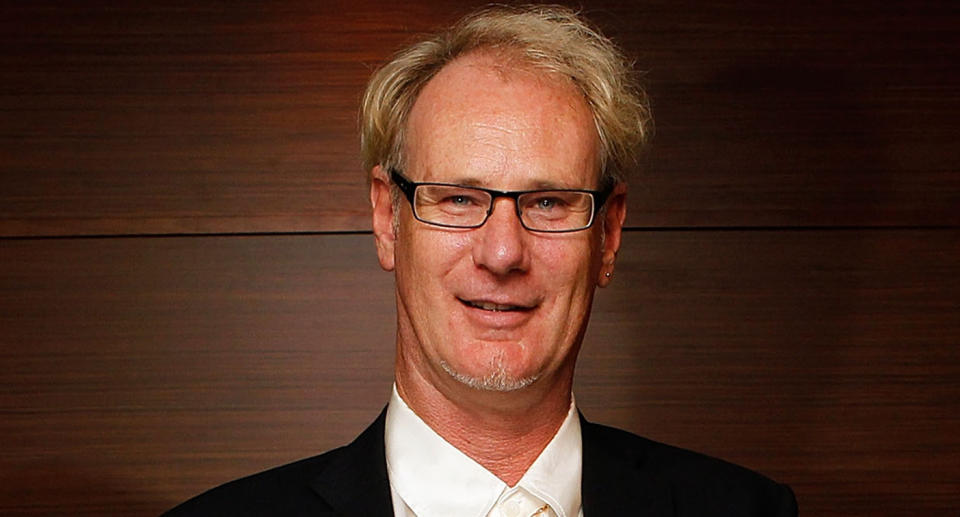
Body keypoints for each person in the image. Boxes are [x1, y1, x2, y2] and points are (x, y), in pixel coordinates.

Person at [164, 5, 797, 516]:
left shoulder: (748, 509)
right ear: (388, 218)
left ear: (607, 234)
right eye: (460, 198)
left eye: (548, 201)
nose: (501, 253)